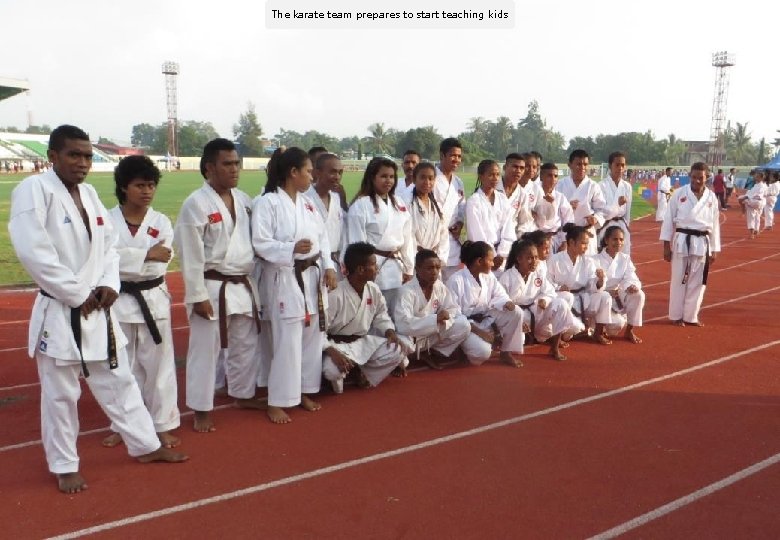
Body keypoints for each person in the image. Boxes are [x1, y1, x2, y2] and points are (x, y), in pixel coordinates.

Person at [8, 125, 187, 494]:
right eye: (74, 155)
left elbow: (107, 248)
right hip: (60, 309)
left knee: (119, 381)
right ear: (52, 156)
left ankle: (145, 445)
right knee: (61, 394)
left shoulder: (89, 194)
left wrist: (109, 283)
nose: (83, 163)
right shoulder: (34, 190)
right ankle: (64, 464)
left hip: (98, 307)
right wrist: (76, 293)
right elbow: (33, 251)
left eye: (88, 156)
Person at [174, 138, 262, 433]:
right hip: (212, 285)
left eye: (236, 163)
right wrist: (196, 294)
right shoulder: (195, 204)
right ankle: (200, 407)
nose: (234, 169)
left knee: (244, 344)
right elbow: (189, 254)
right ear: (209, 167)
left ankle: (242, 393)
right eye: (227, 164)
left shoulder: (245, 200)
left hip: (242, 284)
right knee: (205, 350)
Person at [253, 147, 337, 423]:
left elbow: (323, 237)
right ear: (293, 172)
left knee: (311, 334)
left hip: (312, 276)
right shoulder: (268, 203)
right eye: (309, 171)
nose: (312, 177)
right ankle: (278, 399)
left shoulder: (307, 203)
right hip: (285, 277)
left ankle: (302, 390)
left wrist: (328, 266)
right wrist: (290, 248)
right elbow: (261, 243)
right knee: (287, 339)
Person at [102, 155, 180, 449]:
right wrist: (145, 254)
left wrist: (125, 258)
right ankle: (123, 426)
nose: (147, 191)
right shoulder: (107, 221)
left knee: (159, 368)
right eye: (139, 185)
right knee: (122, 368)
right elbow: (102, 259)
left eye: (151, 185)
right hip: (117, 301)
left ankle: (162, 425)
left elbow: (162, 262)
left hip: (152, 299)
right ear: (124, 187)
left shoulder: (161, 221)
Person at [322, 242, 411, 392]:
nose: (377, 269)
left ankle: (361, 371)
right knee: (332, 371)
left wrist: (390, 332)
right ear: (360, 269)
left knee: (398, 349)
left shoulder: (373, 289)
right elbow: (320, 330)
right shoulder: (336, 294)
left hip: (361, 342)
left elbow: (381, 315)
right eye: (374, 265)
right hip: (338, 345)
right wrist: (331, 351)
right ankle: (341, 370)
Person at [345, 157, 414, 310]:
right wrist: (363, 270)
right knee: (373, 313)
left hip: (396, 266)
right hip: (373, 266)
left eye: (391, 177)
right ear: (372, 177)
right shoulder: (361, 205)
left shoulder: (399, 202)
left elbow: (408, 238)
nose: (388, 181)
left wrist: (409, 267)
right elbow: (357, 243)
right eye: (383, 176)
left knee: (396, 312)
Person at [445, 241, 525, 367]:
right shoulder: (456, 281)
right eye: (491, 260)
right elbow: (455, 316)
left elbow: (500, 294)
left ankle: (505, 352)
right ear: (479, 261)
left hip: (485, 317)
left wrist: (506, 302)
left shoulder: (488, 276)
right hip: (466, 326)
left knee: (516, 312)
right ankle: (461, 349)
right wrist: (480, 333)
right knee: (483, 352)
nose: (493, 264)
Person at [660, 162, 721, 326]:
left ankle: (691, 316)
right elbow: (668, 221)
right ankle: (676, 316)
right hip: (682, 240)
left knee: (698, 281)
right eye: (694, 177)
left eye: (700, 177)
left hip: (703, 242)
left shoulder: (711, 197)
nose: (697, 181)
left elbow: (714, 224)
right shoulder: (679, 194)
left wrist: (715, 248)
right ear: (690, 176)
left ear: (706, 177)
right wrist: (666, 246)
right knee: (679, 279)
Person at [499, 239, 581, 361]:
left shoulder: (538, 273)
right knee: (519, 343)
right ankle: (510, 350)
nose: (534, 262)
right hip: (518, 316)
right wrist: (517, 319)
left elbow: (549, 292)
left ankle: (554, 347)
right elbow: (502, 303)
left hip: (536, 311)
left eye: (536, 257)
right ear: (519, 259)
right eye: (529, 258)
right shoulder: (507, 277)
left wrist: (545, 299)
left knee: (561, 304)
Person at [394, 249, 471, 370]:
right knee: (398, 346)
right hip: (410, 337)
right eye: (429, 268)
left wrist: (443, 318)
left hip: (430, 335)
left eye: (437, 267)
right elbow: (403, 325)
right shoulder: (406, 291)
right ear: (417, 269)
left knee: (463, 325)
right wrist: (434, 319)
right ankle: (404, 361)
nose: (434, 272)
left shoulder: (439, 286)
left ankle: (430, 353)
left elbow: (452, 308)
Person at [547, 224, 614, 344]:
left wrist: (599, 280)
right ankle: (559, 336)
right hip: (563, 299)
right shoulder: (554, 260)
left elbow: (592, 285)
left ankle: (597, 333)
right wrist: (558, 287)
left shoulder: (588, 261)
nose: (586, 247)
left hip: (582, 298)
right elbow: (547, 283)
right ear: (572, 242)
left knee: (605, 296)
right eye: (583, 243)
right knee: (577, 325)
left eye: (587, 244)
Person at [594, 226, 645, 343]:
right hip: (600, 297)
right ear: (606, 240)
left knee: (639, 294)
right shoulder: (595, 259)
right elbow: (591, 284)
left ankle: (629, 330)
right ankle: (597, 330)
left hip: (616, 295)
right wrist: (606, 291)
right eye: (615, 239)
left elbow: (631, 277)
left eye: (621, 240)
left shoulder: (624, 258)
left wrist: (631, 286)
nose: (618, 242)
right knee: (613, 325)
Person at [465, 159, 516, 273]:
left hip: (502, 257)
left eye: (497, 174)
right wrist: (490, 256)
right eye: (491, 174)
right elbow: (476, 233)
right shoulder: (474, 201)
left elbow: (508, 229)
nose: (495, 178)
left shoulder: (502, 199)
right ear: (481, 176)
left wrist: (502, 254)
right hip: (482, 257)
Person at [556, 149, 606, 254]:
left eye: (585, 164)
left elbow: (601, 209)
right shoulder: (560, 184)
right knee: (566, 266)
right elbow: (553, 209)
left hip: (586, 231)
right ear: (569, 165)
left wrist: (595, 218)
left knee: (588, 266)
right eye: (579, 164)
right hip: (566, 233)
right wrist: (567, 208)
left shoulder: (593, 186)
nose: (582, 167)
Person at [306, 152, 345, 276]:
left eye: (340, 172)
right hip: (313, 263)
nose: (337, 176)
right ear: (317, 173)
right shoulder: (304, 198)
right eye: (332, 172)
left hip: (336, 262)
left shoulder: (336, 198)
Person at [433, 138, 466, 281]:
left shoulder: (458, 182)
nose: (456, 159)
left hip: (452, 240)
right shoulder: (431, 178)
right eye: (453, 155)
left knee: (453, 286)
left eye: (459, 156)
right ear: (442, 156)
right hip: (433, 239)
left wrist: (460, 223)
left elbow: (461, 208)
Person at [401, 161, 449, 256]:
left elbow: (444, 235)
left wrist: (438, 258)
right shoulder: (406, 203)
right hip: (414, 257)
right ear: (414, 180)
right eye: (422, 177)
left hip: (434, 259)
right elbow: (405, 234)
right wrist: (421, 253)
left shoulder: (437, 206)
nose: (427, 182)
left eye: (431, 178)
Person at [531, 163, 574, 252]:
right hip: (536, 239)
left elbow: (568, 221)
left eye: (555, 176)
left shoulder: (560, 197)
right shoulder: (533, 195)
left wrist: (565, 241)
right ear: (541, 177)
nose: (553, 179)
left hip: (556, 239)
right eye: (549, 176)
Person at [598, 151, 633, 253]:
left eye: (622, 165)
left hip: (622, 225)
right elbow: (602, 210)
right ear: (610, 166)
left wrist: (627, 226)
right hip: (606, 225)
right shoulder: (601, 186)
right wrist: (617, 204)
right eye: (617, 165)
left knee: (623, 257)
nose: (620, 168)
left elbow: (628, 212)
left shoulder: (627, 187)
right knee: (605, 257)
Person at [496, 153, 534, 237]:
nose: (518, 171)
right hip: (490, 239)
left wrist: (519, 240)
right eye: (515, 167)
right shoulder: (493, 188)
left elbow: (525, 222)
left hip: (511, 241)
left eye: (522, 168)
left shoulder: (523, 194)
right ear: (505, 167)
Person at [738, 169, 767, 238]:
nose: (755, 177)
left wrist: (746, 197)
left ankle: (752, 233)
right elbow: (753, 192)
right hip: (760, 203)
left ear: (761, 178)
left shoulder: (761, 186)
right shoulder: (760, 185)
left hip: (755, 202)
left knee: (751, 217)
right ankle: (756, 229)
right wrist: (747, 195)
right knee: (757, 216)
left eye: (757, 177)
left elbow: (757, 195)